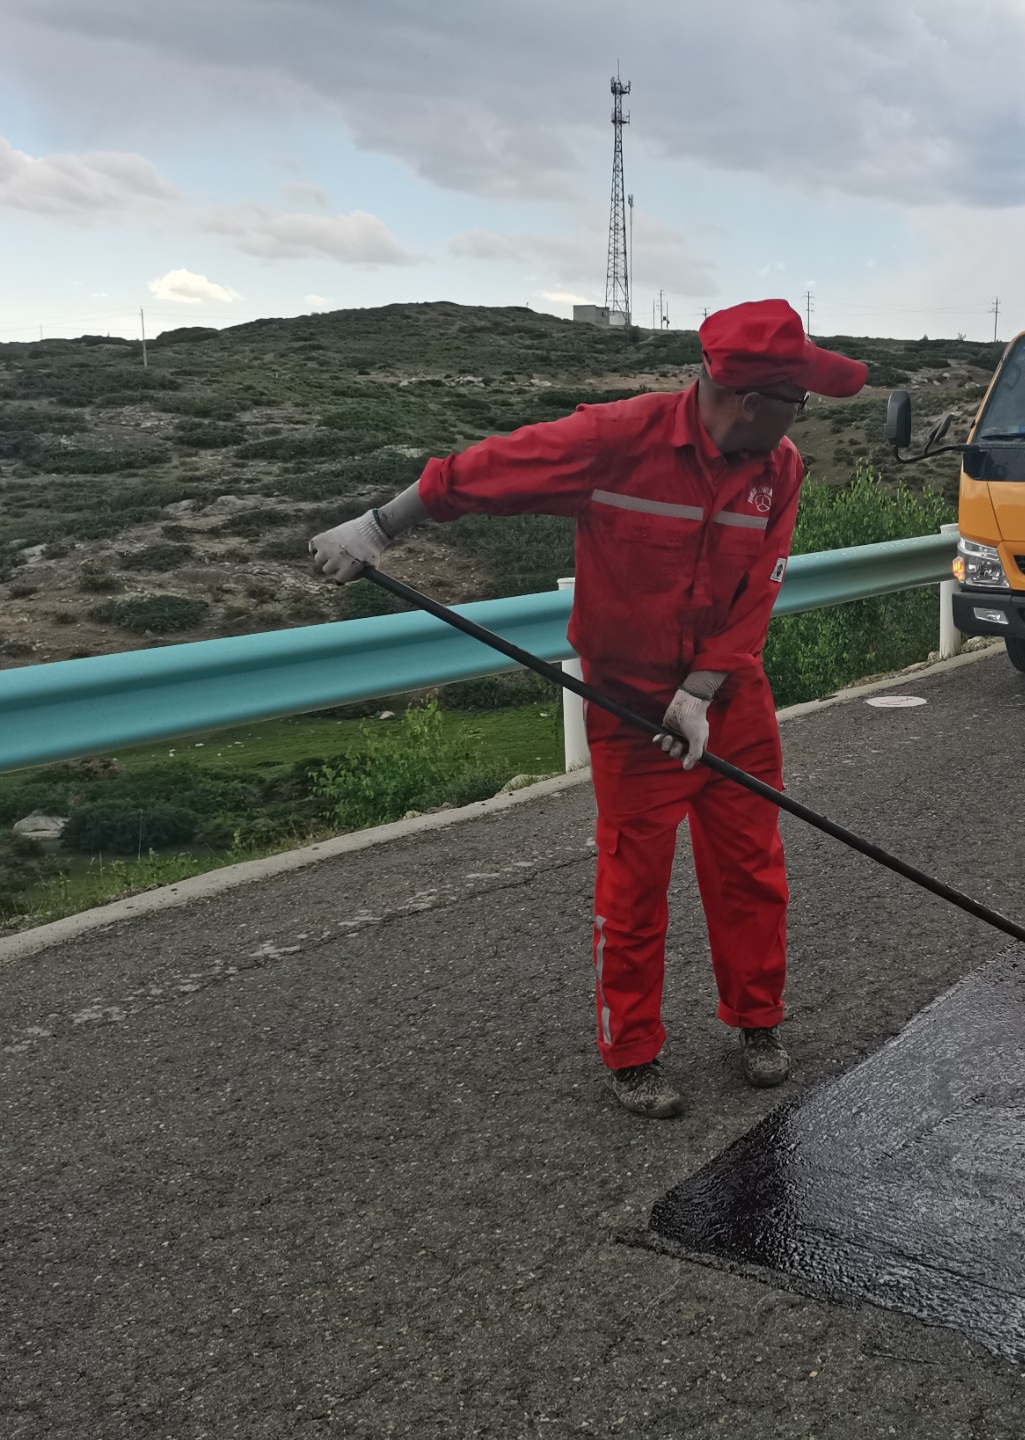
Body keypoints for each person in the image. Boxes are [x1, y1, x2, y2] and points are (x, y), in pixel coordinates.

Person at [307, 299, 870, 1119]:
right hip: (626, 705)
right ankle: (633, 1053)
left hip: (729, 697)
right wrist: (378, 528)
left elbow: (760, 589)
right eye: (799, 403)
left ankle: (757, 1020)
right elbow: (488, 470)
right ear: (752, 398)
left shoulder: (776, 468)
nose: (800, 421)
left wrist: (703, 691)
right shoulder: (616, 439)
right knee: (633, 886)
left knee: (752, 869)